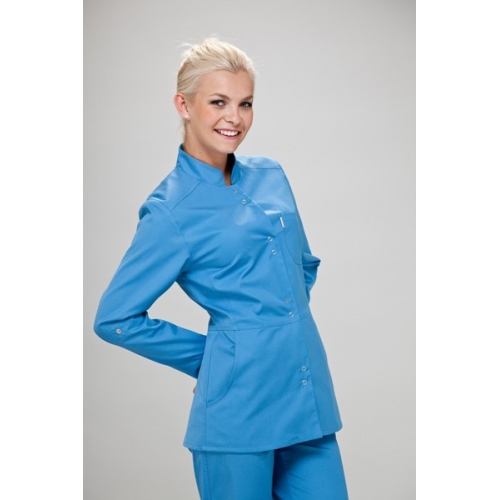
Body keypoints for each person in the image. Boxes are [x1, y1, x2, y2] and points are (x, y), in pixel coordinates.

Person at [94, 37, 349, 500]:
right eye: (218, 102)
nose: (235, 117)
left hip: (305, 395)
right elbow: (115, 319)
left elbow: (302, 265)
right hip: (237, 411)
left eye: (245, 103)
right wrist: (212, 361)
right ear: (184, 105)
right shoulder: (169, 210)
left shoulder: (271, 174)